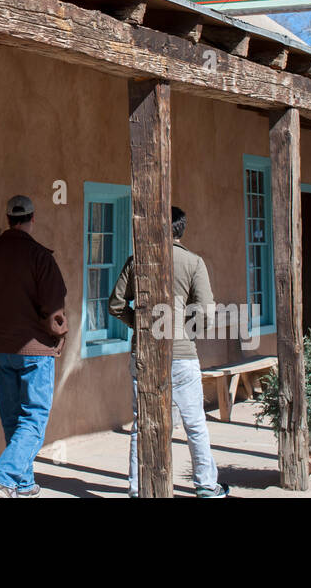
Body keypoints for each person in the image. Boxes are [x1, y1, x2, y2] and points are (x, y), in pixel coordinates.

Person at [110, 206, 229, 498]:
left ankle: (137, 488)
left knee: (141, 424)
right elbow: (205, 312)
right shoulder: (193, 262)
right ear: (181, 230)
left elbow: (115, 304)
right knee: (195, 422)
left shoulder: (137, 262)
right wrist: (189, 331)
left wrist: (138, 325)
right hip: (182, 351)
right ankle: (205, 483)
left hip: (144, 353)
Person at [0, 194, 68, 498]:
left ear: (8, 219)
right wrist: (57, 339)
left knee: (12, 418)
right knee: (34, 419)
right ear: (32, 219)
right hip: (35, 352)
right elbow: (55, 310)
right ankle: (5, 478)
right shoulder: (40, 257)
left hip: (1, 348)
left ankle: (23, 483)